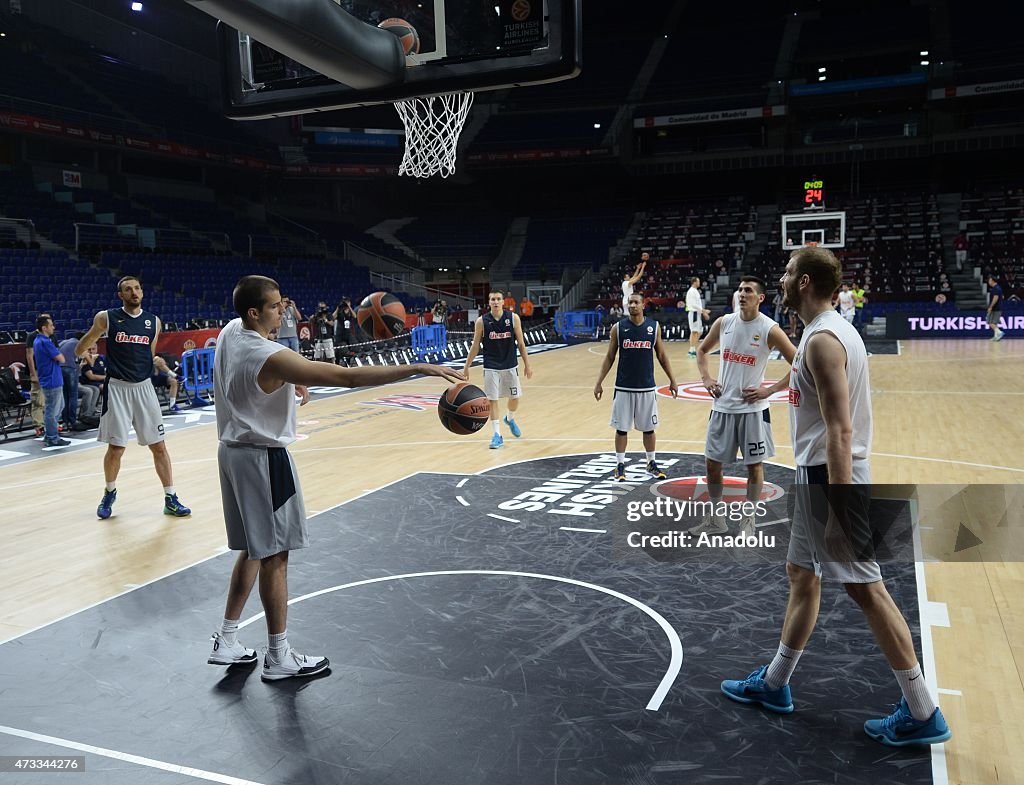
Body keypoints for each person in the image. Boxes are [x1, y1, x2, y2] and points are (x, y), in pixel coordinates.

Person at [720, 246, 951, 748]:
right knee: (801, 574)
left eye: (786, 273)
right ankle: (776, 684)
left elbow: (841, 432)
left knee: (866, 588)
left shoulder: (825, 340)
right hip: (816, 475)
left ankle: (922, 709)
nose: (780, 279)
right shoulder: (820, 335)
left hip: (833, 477)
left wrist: (841, 509)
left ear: (804, 282)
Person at [207, 275, 465, 680]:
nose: (284, 311)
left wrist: (291, 380)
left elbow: (263, 375)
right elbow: (347, 378)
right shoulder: (267, 354)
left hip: (232, 453)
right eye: (276, 306)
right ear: (254, 312)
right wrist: (416, 367)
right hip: (264, 461)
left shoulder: (230, 332)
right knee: (275, 556)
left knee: (254, 549)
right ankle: (278, 656)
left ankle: (226, 638)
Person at [76, 276, 191, 520]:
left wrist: (161, 367)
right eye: (128, 289)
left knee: (159, 446)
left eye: (137, 288)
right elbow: (84, 344)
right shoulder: (106, 317)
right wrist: (82, 348)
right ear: (121, 295)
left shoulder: (153, 321)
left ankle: (170, 497)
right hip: (117, 388)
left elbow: (149, 354)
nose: (134, 292)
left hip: (144, 388)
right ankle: (109, 492)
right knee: (116, 448)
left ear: (142, 292)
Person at [693, 276, 796, 537]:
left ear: (760, 298)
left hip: (752, 410)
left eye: (748, 291)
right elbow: (702, 350)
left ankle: (749, 522)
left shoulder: (769, 328)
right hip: (722, 407)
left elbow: (799, 362)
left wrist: (770, 389)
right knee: (712, 465)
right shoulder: (724, 322)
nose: (741, 294)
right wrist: (706, 379)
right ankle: (717, 520)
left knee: (754, 467)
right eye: (740, 290)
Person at [594, 292, 678, 481]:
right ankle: (620, 465)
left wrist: (672, 380)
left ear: (643, 305)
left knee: (649, 429)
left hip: (647, 387)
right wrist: (599, 382)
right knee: (621, 429)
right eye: (630, 302)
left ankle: (651, 462)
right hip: (623, 386)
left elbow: (662, 356)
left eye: (635, 302)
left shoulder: (653, 327)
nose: (632, 305)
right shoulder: (618, 328)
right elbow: (609, 357)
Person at [463, 290, 533, 449]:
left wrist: (528, 365)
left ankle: (509, 418)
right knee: (492, 400)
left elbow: (521, 344)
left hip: (510, 365)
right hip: (491, 366)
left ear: (503, 302)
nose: (495, 302)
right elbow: (475, 346)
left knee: (514, 399)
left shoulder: (513, 318)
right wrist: (466, 366)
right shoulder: (482, 321)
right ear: (489, 302)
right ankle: (497, 435)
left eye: (498, 299)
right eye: (492, 299)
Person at [33, 315, 70, 448]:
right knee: (52, 410)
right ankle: (52, 437)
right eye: (51, 325)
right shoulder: (45, 342)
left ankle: (50, 434)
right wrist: (58, 356)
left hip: (50, 378)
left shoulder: (38, 340)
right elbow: (61, 358)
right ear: (44, 328)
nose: (53, 327)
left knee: (57, 407)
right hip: (51, 379)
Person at [24, 313, 51, 437]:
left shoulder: (51, 336)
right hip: (38, 371)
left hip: (49, 371)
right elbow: (29, 356)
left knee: (51, 399)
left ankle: (51, 425)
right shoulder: (32, 336)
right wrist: (33, 373)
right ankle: (39, 425)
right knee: (38, 400)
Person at [57, 330, 86, 432]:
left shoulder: (65, 341)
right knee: (73, 395)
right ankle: (73, 421)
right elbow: (82, 358)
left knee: (65, 395)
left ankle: (65, 421)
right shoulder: (79, 344)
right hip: (70, 368)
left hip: (59, 368)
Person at [685, 276, 710, 358]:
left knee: (700, 331)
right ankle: (691, 351)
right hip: (693, 313)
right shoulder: (691, 291)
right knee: (694, 332)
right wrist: (704, 311)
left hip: (697, 313)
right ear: (694, 282)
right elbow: (693, 305)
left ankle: (692, 349)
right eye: (698, 281)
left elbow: (697, 304)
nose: (699, 283)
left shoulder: (695, 291)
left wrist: (703, 311)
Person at [986, 275, 1005, 341]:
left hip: (995, 309)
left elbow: (995, 298)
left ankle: (999, 332)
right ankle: (996, 337)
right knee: (995, 323)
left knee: (990, 322)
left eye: (989, 280)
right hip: (998, 308)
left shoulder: (996, 288)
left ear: (992, 280)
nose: (988, 282)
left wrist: (991, 307)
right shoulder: (998, 288)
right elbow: (1002, 297)